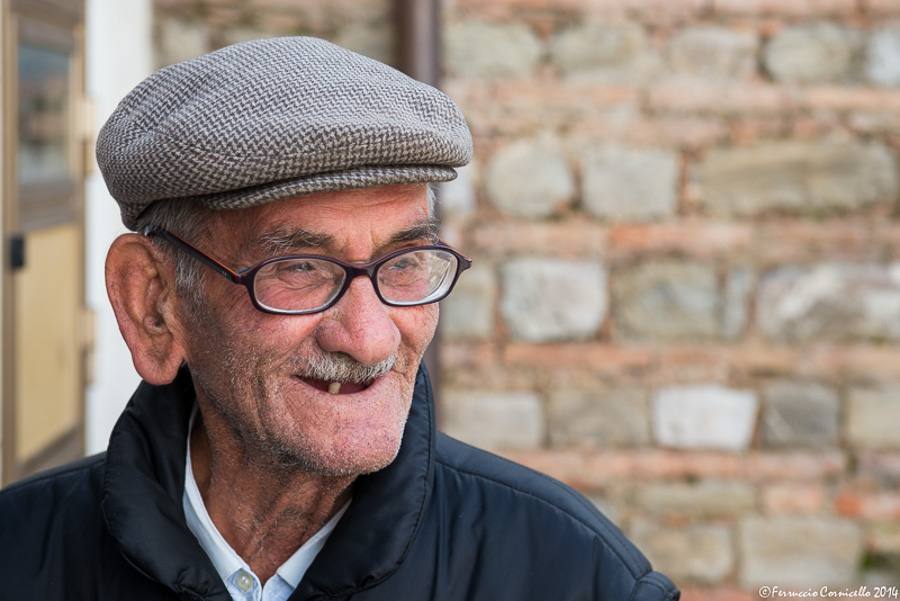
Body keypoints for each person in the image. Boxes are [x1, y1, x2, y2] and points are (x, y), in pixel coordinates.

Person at [0, 37, 679, 601]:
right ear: (153, 304)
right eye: (299, 268)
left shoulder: (571, 575)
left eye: (407, 260)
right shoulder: (20, 555)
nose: (372, 336)